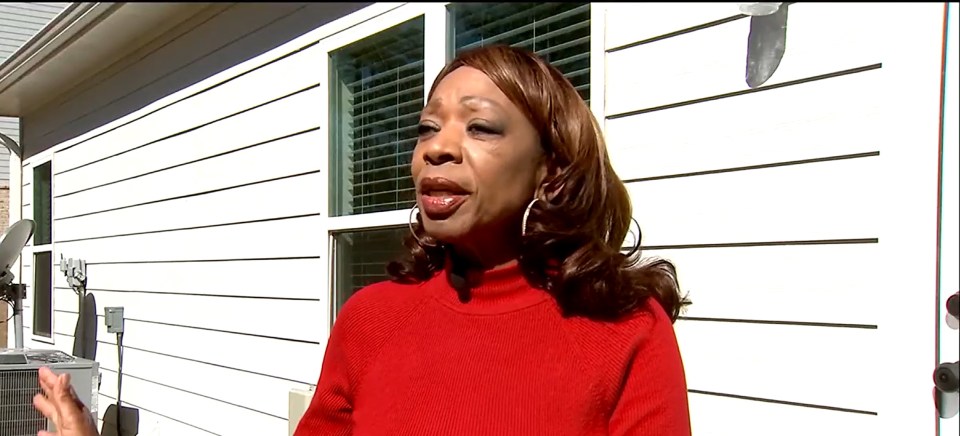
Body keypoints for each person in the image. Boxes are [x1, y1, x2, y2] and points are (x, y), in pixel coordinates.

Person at [33, 44, 692, 436]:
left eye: (481, 129)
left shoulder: (625, 328)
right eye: (427, 127)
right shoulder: (372, 320)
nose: (437, 147)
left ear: (551, 167)